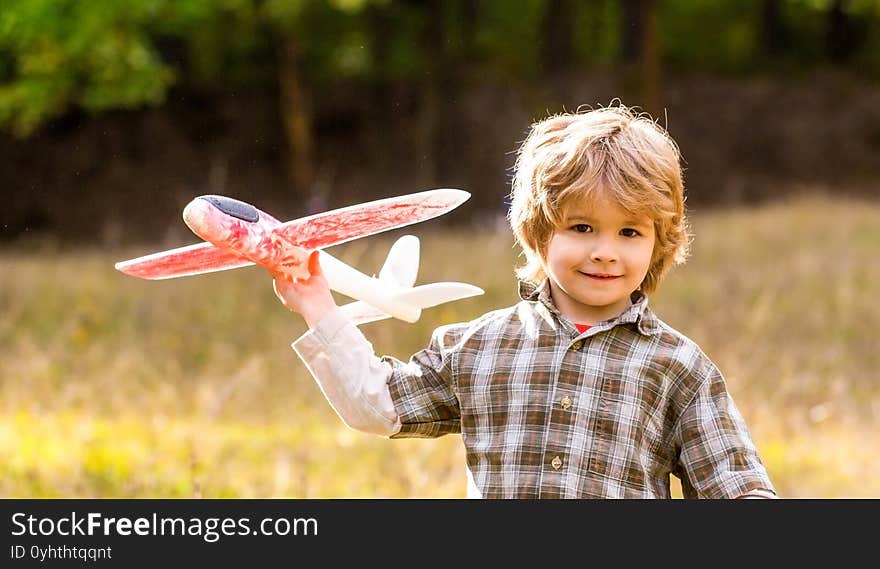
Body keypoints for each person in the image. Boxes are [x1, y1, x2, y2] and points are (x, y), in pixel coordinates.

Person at [270, 104, 777, 499]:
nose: (605, 252)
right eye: (581, 228)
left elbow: (737, 486)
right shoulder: (478, 346)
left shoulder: (679, 369)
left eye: (629, 232)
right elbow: (374, 406)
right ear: (538, 233)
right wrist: (317, 302)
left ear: (658, 243)